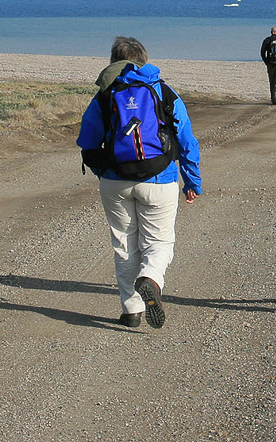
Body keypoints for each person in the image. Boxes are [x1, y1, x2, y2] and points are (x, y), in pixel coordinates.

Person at [77, 36, 202, 329]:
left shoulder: (106, 94)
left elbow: (87, 140)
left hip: (115, 181)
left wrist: (102, 170)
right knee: (159, 241)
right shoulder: (162, 90)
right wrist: (192, 181)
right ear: (143, 58)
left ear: (114, 60)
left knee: (124, 244)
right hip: (160, 178)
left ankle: (132, 310)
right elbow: (187, 141)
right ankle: (151, 279)